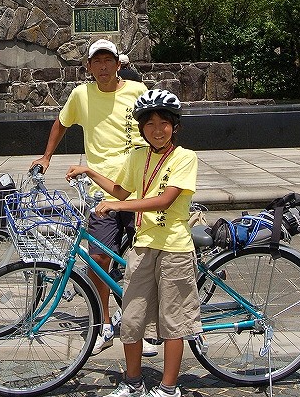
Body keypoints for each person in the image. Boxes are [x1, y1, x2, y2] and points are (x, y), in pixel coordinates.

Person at [66, 89, 202, 397]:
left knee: (173, 322)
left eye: (164, 122)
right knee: (131, 318)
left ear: (175, 126)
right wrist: (89, 171)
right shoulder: (138, 156)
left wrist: (117, 206)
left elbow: (165, 200)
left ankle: (169, 388)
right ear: (141, 128)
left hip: (174, 249)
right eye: (149, 123)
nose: (157, 129)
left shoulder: (185, 157)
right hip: (142, 247)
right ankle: (133, 382)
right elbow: (120, 190)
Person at [30, 38, 159, 357]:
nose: (103, 67)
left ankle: (140, 327)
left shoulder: (137, 91)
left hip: (139, 189)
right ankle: (103, 324)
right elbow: (60, 124)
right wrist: (46, 157)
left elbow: (157, 128)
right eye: (97, 61)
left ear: (118, 64)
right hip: (102, 192)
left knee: (144, 261)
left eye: (108, 60)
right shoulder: (81, 95)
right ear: (88, 67)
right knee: (99, 260)